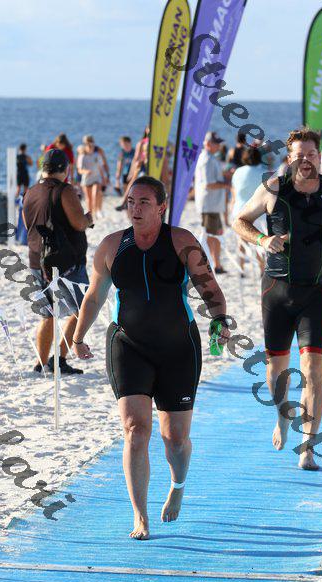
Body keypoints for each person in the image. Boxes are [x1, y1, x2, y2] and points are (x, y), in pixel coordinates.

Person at [71, 176, 229, 539]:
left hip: (179, 348)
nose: (135, 208)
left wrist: (220, 319)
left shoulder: (182, 241)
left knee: (175, 439)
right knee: (135, 429)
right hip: (128, 345)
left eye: (144, 202)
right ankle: (140, 515)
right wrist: (78, 337)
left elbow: (209, 287)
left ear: (161, 207)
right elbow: (94, 296)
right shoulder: (112, 246)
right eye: (130, 202)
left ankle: (177, 484)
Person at [232, 127, 322, 470]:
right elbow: (240, 221)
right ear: (289, 158)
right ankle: (282, 417)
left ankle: (308, 446)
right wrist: (262, 240)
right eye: (299, 155)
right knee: (277, 371)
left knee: (314, 370)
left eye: (311, 154)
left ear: (319, 156)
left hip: (318, 292)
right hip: (276, 291)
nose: (306, 160)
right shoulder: (273, 189)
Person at [23, 149, 94, 375]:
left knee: (48, 315)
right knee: (81, 310)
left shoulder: (30, 192)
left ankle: (41, 363)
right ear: (66, 169)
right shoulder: (65, 190)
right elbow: (78, 223)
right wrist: (88, 219)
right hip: (66, 262)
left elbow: (27, 224)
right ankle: (60, 359)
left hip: (37, 259)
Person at [195, 131, 231, 274]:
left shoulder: (210, 158)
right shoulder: (207, 160)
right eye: (216, 143)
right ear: (208, 144)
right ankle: (211, 264)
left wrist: (224, 178)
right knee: (210, 235)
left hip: (212, 205)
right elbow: (208, 184)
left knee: (215, 234)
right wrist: (226, 184)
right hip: (209, 204)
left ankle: (216, 264)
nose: (219, 146)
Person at [230, 146, 268, 276]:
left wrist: (231, 208)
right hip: (258, 212)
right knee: (259, 241)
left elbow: (234, 193)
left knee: (241, 241)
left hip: (239, 210)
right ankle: (262, 270)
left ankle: (241, 269)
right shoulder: (264, 172)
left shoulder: (237, 172)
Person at [77, 135, 105, 219]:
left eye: (91, 146)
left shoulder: (97, 155)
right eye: (88, 146)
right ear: (85, 146)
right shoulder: (82, 156)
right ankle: (90, 216)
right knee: (88, 200)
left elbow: (101, 168)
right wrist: (86, 171)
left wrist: (104, 178)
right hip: (86, 180)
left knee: (95, 194)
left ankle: (96, 211)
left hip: (96, 179)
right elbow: (79, 170)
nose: (90, 148)